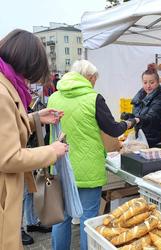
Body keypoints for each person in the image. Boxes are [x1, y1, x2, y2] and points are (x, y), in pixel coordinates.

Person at [48, 59, 137, 250]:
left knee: (61, 217)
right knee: (89, 219)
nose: (95, 83)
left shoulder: (54, 97)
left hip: (60, 164)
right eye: (95, 79)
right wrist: (131, 122)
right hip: (88, 168)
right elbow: (113, 129)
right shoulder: (94, 98)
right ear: (89, 77)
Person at [0, 29, 68, 250]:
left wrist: (35, 118)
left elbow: (7, 128)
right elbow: (8, 157)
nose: (29, 82)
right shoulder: (2, 92)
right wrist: (52, 151)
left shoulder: (6, 84)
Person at [129, 63, 161, 148]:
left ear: (158, 82)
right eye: (145, 83)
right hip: (144, 139)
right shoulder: (141, 96)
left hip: (159, 141)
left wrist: (137, 119)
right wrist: (129, 116)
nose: (148, 86)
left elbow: (152, 116)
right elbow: (138, 114)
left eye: (152, 82)